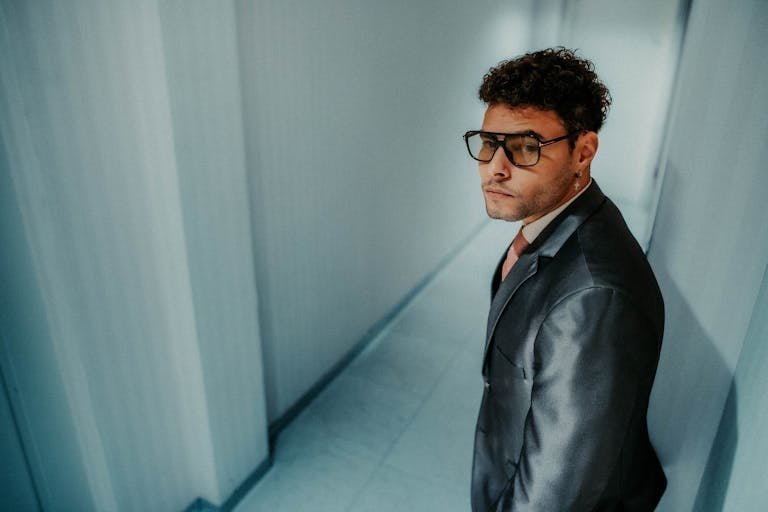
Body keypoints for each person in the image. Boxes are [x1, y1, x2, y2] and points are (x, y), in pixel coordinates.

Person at [465, 47, 666, 511]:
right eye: (487, 142)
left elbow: (554, 497)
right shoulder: (548, 221)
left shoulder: (595, 299)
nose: (495, 166)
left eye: (524, 148)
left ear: (583, 152)